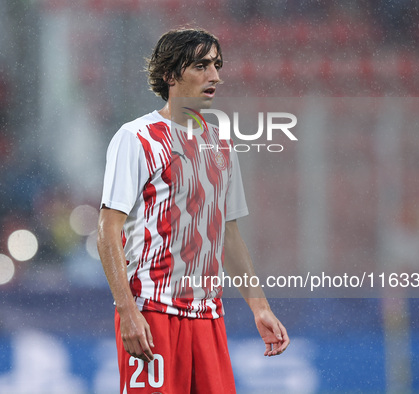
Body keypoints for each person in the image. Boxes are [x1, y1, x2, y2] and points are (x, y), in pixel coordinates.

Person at [97, 27, 289, 393]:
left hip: (208, 317)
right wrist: (127, 311)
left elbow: (228, 235)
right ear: (170, 75)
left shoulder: (221, 144)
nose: (214, 76)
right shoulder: (136, 138)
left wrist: (259, 307)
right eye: (201, 65)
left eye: (216, 65)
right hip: (152, 312)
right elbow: (108, 229)